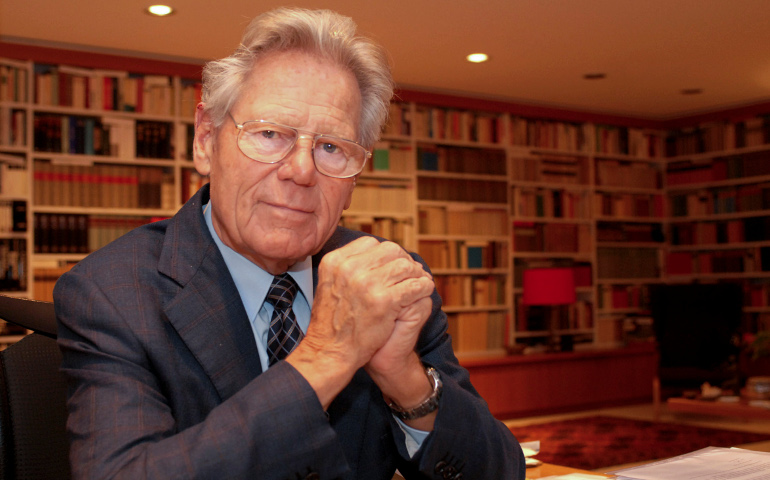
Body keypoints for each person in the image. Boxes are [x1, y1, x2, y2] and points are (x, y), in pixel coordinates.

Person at [54, 7, 525, 479]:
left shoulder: (385, 281)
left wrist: (406, 381)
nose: (301, 171)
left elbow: (503, 472)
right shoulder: (112, 294)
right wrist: (325, 357)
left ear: (354, 178)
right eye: (270, 134)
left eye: (331, 147)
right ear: (205, 139)